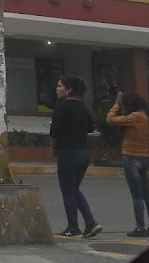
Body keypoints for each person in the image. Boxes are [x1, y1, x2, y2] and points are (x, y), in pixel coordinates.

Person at [49, 75, 102, 238]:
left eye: (60, 86)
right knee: (73, 190)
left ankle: (73, 227)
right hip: (83, 153)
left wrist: (53, 149)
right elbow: (90, 128)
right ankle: (90, 223)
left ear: (69, 90)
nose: (57, 89)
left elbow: (54, 132)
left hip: (68, 152)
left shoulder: (61, 106)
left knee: (68, 192)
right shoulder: (83, 106)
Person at [107, 91, 149, 238]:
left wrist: (117, 104)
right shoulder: (148, 115)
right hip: (145, 158)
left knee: (137, 196)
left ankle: (140, 228)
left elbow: (110, 119)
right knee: (148, 195)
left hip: (132, 159)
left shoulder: (135, 117)